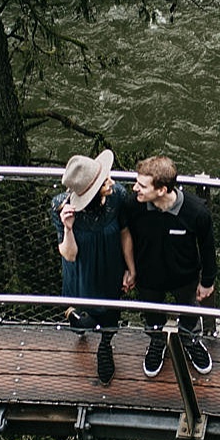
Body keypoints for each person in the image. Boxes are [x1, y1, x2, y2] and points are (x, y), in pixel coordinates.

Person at [120, 155, 216, 377]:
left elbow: (208, 248)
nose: (135, 188)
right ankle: (157, 342)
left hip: (185, 277)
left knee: (190, 311)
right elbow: (126, 237)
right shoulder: (134, 206)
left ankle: (190, 341)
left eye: (142, 185)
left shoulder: (196, 212)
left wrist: (207, 281)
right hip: (148, 276)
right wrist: (128, 268)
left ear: (162, 190)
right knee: (152, 314)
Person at [51, 150, 129, 383]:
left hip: (110, 264)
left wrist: (130, 268)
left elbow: (125, 233)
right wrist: (68, 228)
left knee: (109, 309)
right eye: (105, 181)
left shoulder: (118, 196)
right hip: (81, 268)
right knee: (81, 309)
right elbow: (69, 254)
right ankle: (79, 319)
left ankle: (105, 345)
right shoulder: (61, 206)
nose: (112, 182)